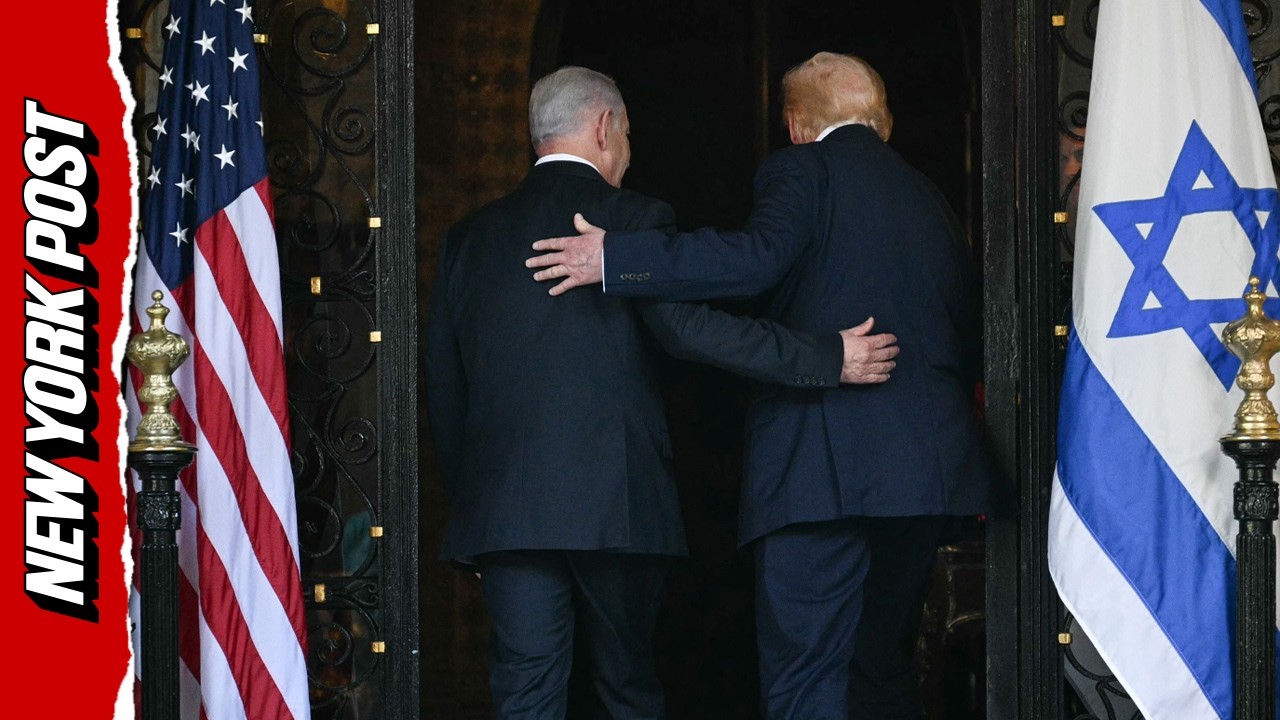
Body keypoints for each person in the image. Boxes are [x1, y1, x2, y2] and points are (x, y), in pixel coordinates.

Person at [526, 53, 994, 719]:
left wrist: (620, 257)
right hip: (925, 478)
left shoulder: (802, 169)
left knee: (807, 678)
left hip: (822, 475)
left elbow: (754, 260)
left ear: (797, 125)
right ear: (881, 117)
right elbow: (968, 327)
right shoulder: (931, 197)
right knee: (883, 670)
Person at [424, 65, 900, 719]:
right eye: (627, 133)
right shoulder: (633, 219)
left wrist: (474, 512)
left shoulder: (467, 239)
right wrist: (826, 356)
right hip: (615, 507)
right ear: (604, 127)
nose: (628, 149)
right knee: (628, 692)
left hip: (504, 516)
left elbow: (446, 389)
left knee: (526, 694)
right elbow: (692, 333)